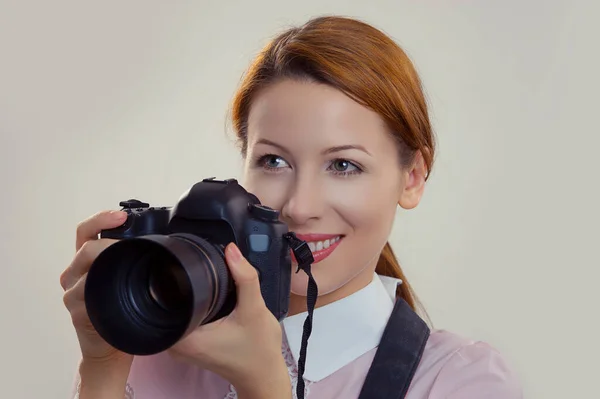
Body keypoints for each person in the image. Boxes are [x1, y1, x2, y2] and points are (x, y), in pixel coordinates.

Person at [60, 15, 523, 399]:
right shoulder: (157, 344)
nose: (299, 208)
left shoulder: (460, 381)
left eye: (343, 165)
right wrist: (103, 366)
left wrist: (263, 387)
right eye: (274, 161)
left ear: (412, 177)